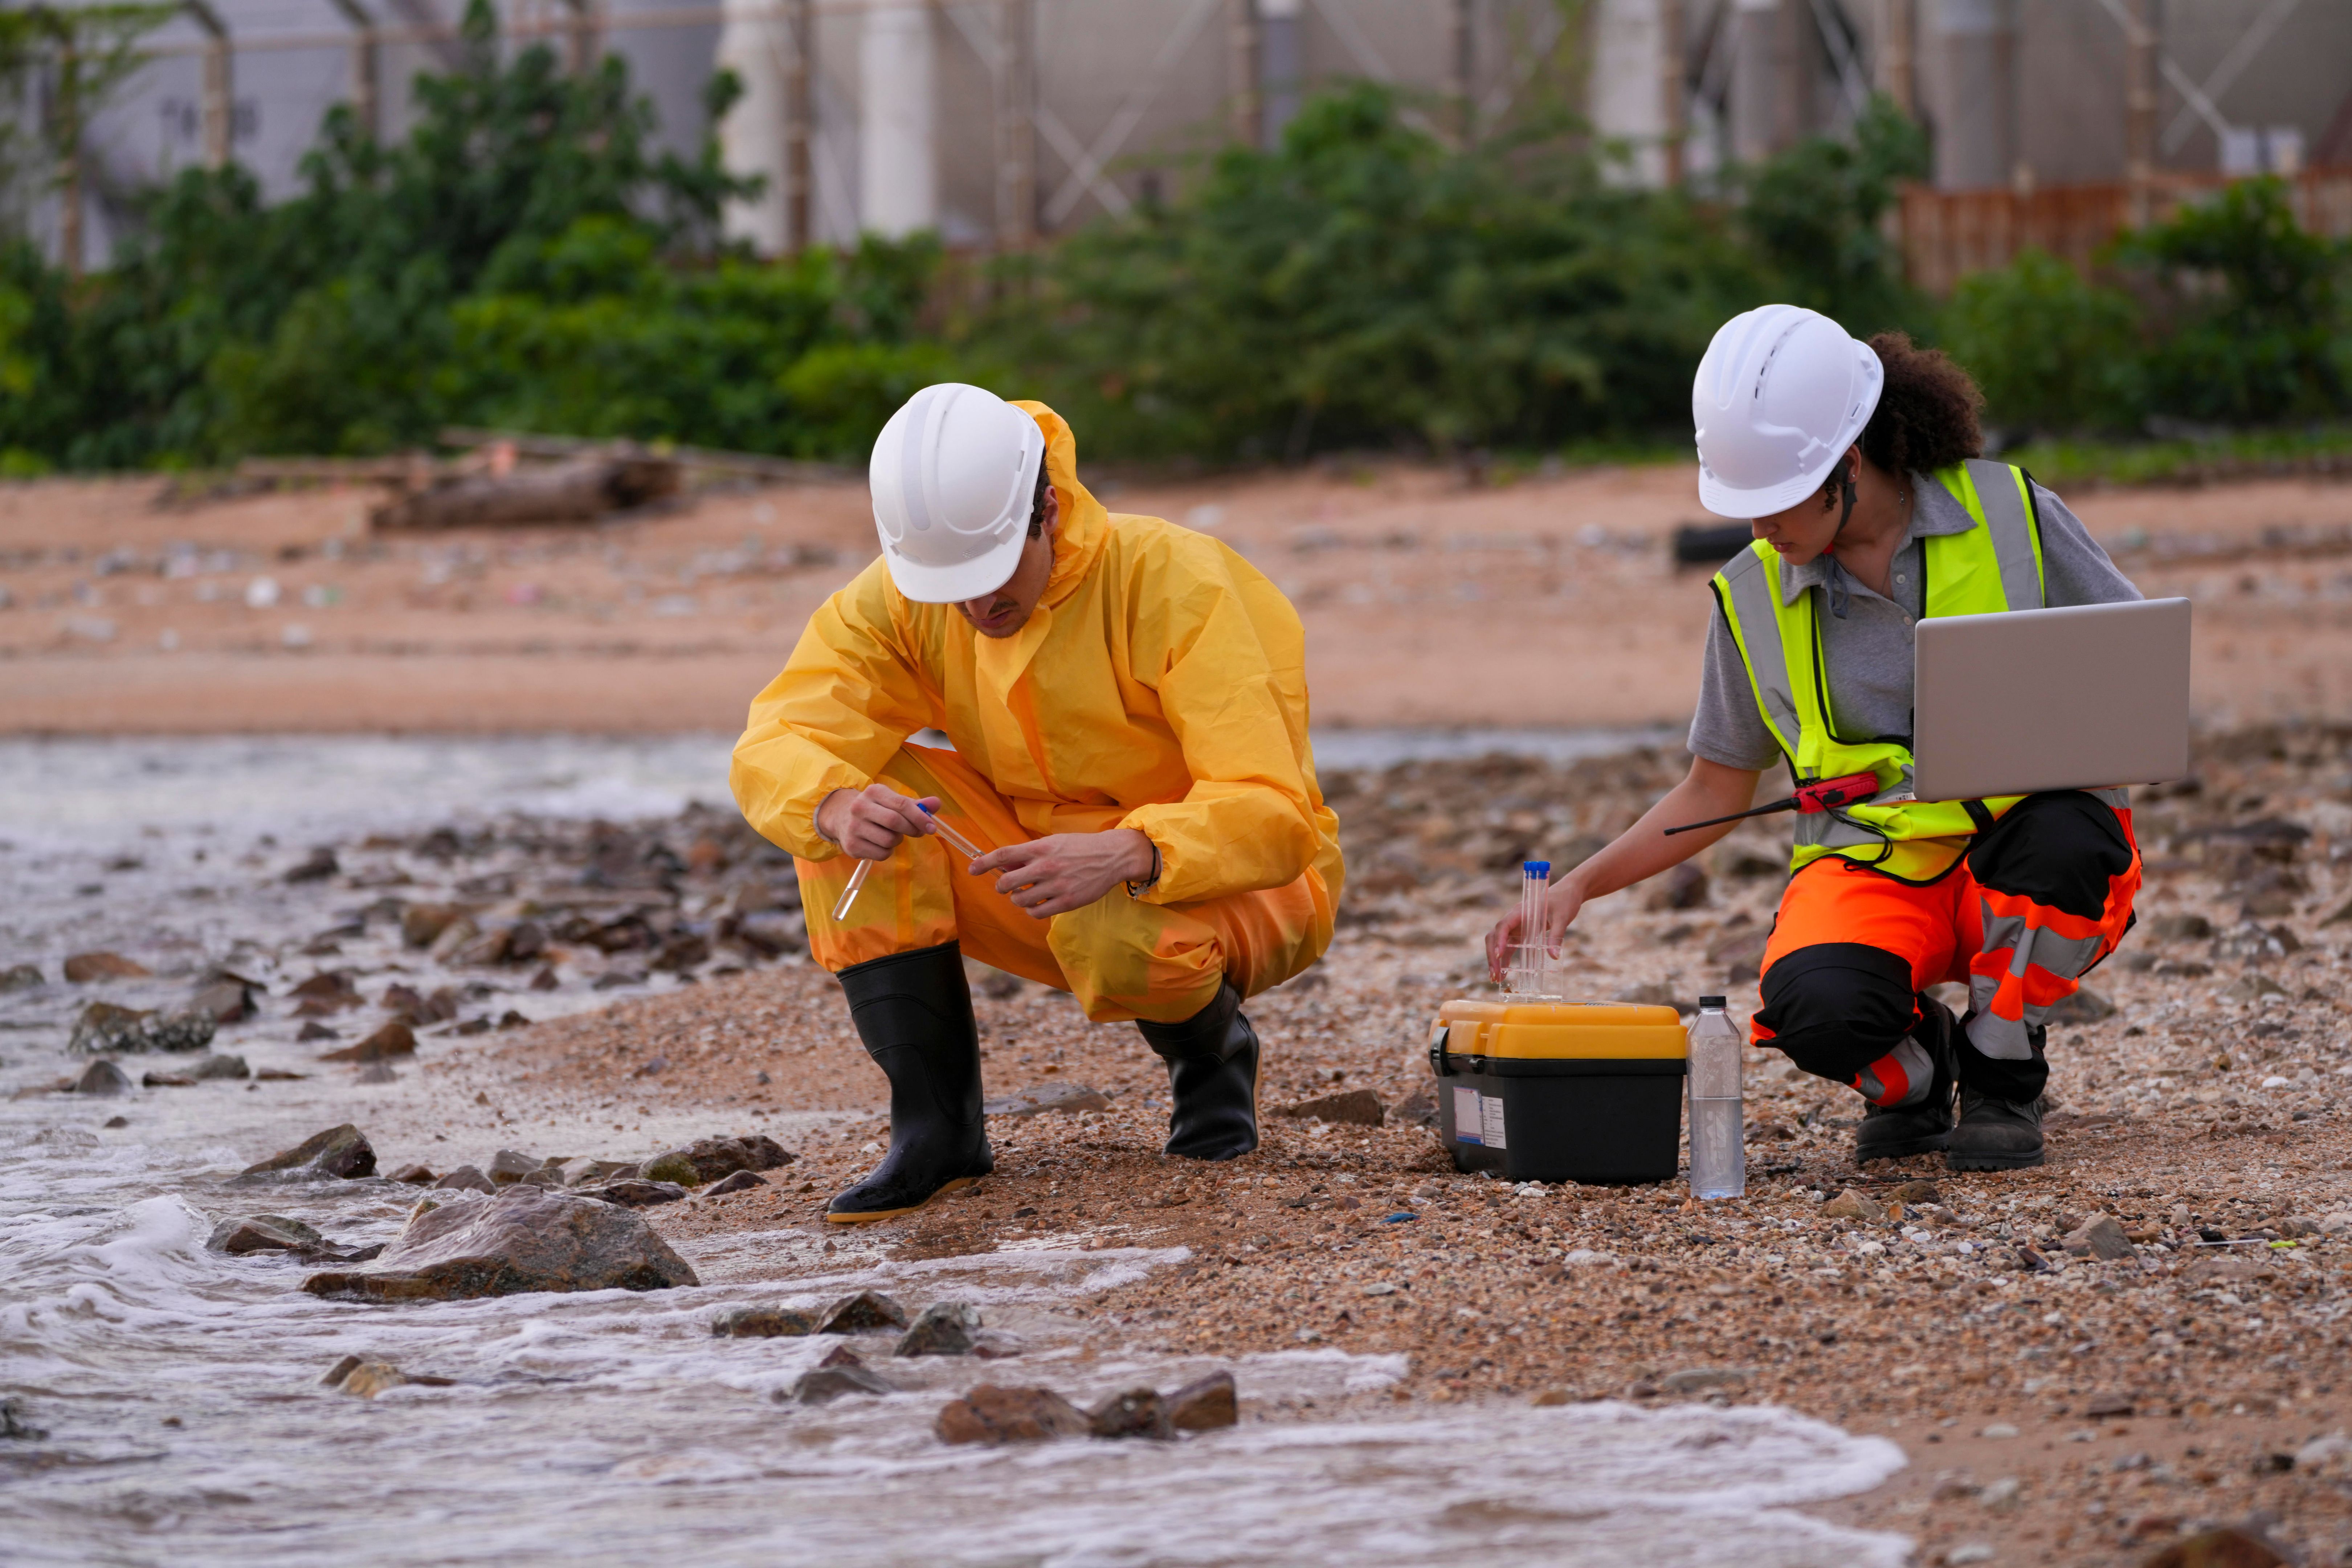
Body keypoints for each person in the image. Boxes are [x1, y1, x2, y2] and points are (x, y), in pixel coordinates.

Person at [1487, 304, 2143, 1172]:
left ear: (1850, 461)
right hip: (1873, 870)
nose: (1760, 529)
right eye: (1741, 506)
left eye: (1775, 501)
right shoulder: (1752, 594)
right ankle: (1917, 1076)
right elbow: (1712, 793)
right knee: (1814, 1007)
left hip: (2020, 858)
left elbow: (2134, 675)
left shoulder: (2016, 515)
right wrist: (1575, 888)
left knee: (2069, 837)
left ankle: (2002, 1068)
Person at [732, 384, 1343, 1222]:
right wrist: (833, 804)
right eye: (953, 588)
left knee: (1114, 925)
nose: (979, 607)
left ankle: (1212, 1064)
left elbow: (1278, 815)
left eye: (992, 576)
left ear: (1047, 511)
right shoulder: (902, 599)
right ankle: (937, 1132)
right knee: (842, 800)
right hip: (1031, 873)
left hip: (1239, 887)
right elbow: (780, 736)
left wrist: (1133, 850)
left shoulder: (1177, 579)